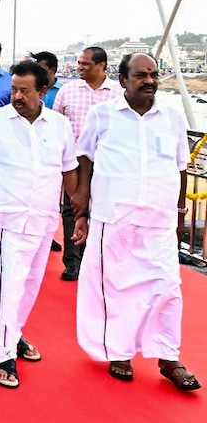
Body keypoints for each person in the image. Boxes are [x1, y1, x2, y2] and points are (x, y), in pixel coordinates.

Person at [71, 53, 199, 391]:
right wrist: (81, 201)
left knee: (169, 287)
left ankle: (169, 357)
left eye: (154, 75)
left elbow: (181, 166)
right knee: (116, 287)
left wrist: (181, 212)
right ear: (123, 79)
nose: (150, 81)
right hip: (115, 216)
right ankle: (120, 351)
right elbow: (84, 156)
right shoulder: (103, 115)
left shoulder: (170, 117)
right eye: (141, 75)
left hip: (159, 218)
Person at [0, 60, 76, 389]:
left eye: (24, 91)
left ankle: (12, 336)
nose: (16, 95)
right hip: (4, 218)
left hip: (42, 220)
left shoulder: (59, 125)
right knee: (2, 290)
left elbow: (69, 170)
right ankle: (2, 355)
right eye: (14, 89)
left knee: (27, 288)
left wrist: (81, 213)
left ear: (43, 91)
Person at [52, 46, 122, 281]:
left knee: (104, 210)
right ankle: (73, 261)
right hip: (73, 163)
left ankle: (100, 259)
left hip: (107, 164)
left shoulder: (119, 93)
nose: (79, 67)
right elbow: (56, 125)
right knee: (72, 209)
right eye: (79, 63)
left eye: (85, 64)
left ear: (101, 65)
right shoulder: (67, 91)